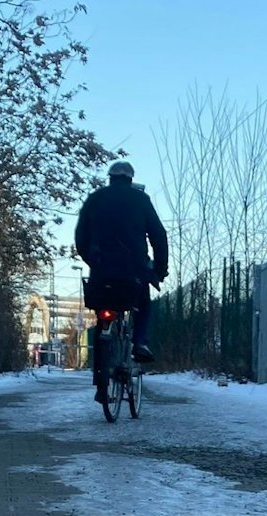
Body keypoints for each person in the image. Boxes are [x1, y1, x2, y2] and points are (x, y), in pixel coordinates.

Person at [74, 161, 169, 399]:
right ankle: (140, 343)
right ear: (130, 179)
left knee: (103, 319)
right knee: (143, 304)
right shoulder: (141, 200)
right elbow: (159, 235)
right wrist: (159, 270)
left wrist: (92, 261)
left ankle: (100, 383)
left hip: (102, 272)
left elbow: (81, 235)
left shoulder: (95, 198)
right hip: (134, 271)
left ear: (110, 178)